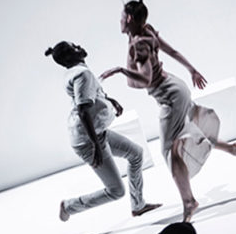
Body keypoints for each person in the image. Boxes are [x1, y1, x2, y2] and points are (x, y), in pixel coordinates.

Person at [87, 0, 236, 221]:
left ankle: (189, 202)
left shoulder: (139, 43)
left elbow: (144, 79)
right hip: (177, 87)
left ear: (129, 19)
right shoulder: (147, 31)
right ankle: (232, 149)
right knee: (187, 134)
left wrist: (121, 70)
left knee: (169, 151)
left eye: (121, 16)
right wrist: (192, 70)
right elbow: (172, 52)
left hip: (169, 97)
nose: (119, 20)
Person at [45, 41, 161, 221]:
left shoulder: (78, 70)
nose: (79, 46)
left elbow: (90, 95)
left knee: (136, 154)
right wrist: (96, 146)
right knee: (116, 191)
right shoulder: (81, 73)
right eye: (74, 47)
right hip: (89, 140)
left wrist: (110, 100)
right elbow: (83, 111)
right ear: (70, 56)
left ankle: (138, 205)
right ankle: (69, 206)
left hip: (98, 133)